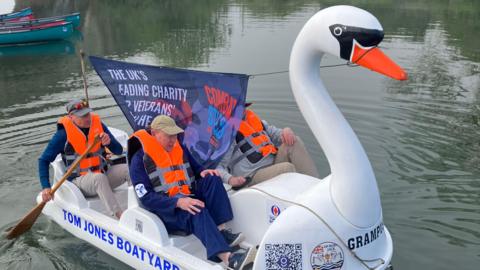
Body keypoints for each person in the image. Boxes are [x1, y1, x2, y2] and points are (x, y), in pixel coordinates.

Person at [128, 115, 252, 269]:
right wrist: (178, 202)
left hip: (186, 193)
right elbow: (146, 198)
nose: (173, 140)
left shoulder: (178, 146)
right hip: (166, 209)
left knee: (212, 178)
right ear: (154, 133)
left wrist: (203, 172)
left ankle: (221, 232)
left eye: (175, 135)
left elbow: (196, 168)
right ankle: (229, 258)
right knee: (196, 208)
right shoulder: (139, 160)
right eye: (169, 136)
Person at [38, 99, 130, 219]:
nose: (87, 118)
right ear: (71, 117)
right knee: (99, 179)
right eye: (82, 116)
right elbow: (43, 160)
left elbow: (118, 150)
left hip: (103, 172)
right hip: (79, 180)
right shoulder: (62, 135)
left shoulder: (99, 126)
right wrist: (46, 187)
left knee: (129, 169)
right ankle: (120, 216)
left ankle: (138, 207)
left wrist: (109, 142)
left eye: (88, 114)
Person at [216, 105, 320, 189]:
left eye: (243, 105)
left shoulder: (254, 121)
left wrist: (286, 131)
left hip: (272, 163)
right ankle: (305, 200)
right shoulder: (227, 133)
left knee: (294, 142)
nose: (243, 109)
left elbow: (277, 134)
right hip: (252, 175)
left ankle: (316, 187)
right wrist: (230, 179)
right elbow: (217, 166)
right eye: (238, 106)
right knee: (287, 168)